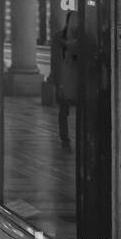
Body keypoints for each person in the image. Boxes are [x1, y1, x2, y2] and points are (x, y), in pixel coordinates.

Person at [52, 10, 79, 151]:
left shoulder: (83, 39)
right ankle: (64, 139)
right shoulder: (58, 38)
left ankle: (78, 138)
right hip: (63, 78)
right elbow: (55, 60)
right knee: (63, 111)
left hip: (76, 79)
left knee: (78, 111)